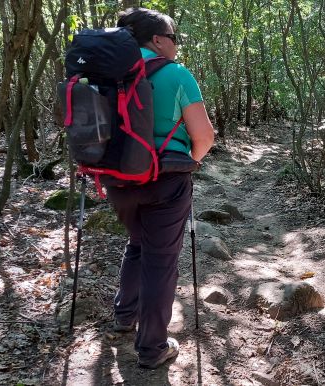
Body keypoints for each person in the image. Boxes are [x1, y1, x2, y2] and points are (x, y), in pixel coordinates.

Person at [107, 8, 215, 369]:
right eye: (173, 38)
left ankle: (124, 316)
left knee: (137, 243)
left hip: (116, 178)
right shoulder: (175, 74)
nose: (176, 45)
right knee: (161, 260)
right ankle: (153, 348)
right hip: (165, 179)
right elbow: (203, 136)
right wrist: (191, 162)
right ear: (157, 40)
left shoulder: (105, 72)